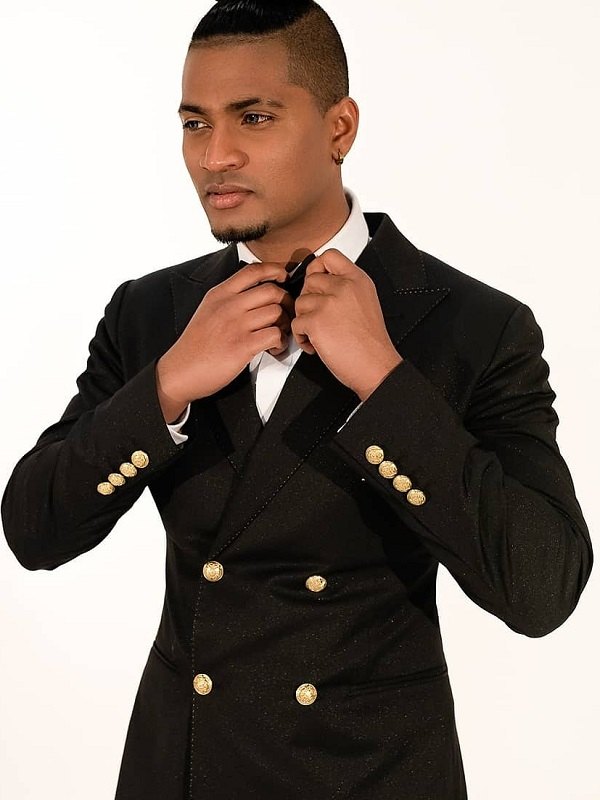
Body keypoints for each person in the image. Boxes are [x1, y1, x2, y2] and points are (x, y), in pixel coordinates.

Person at [1, 0, 592, 798]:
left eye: (254, 117)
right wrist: (167, 385)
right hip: (182, 772)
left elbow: (542, 590)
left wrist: (384, 380)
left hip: (369, 777)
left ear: (339, 128)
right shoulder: (150, 313)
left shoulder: (477, 327)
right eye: (195, 123)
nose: (215, 155)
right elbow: (34, 531)